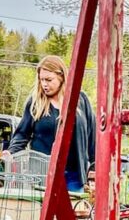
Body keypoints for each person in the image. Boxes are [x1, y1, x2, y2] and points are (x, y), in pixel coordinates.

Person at [5, 55, 95, 192]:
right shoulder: (35, 103)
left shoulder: (80, 100)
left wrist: (94, 168)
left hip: (74, 177)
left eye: (48, 80)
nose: (44, 84)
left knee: (73, 212)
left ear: (62, 77)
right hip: (42, 176)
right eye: (41, 80)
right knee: (43, 213)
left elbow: (92, 138)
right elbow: (21, 135)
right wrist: (9, 153)